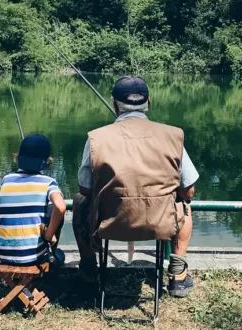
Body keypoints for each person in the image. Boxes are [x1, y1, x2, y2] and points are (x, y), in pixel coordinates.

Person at [72, 76, 199, 298]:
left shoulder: (96, 139)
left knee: (79, 201)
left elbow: (85, 189)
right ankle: (178, 276)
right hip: (161, 224)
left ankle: (89, 269)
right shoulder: (173, 136)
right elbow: (188, 191)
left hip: (109, 224)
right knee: (185, 206)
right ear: (149, 102)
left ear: (114, 104)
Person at [0, 134, 66, 266]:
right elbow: (60, 207)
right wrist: (48, 235)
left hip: (2, 254)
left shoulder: (5, 180)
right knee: (53, 214)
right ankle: (53, 254)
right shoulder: (49, 183)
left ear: (18, 158)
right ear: (46, 161)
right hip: (33, 256)